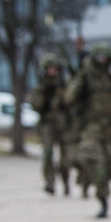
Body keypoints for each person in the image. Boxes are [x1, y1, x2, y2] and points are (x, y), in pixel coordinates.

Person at [65, 43, 111, 219]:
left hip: (110, 130)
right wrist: (80, 77)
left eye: (106, 58)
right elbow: (69, 98)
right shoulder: (85, 77)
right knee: (95, 164)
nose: (103, 61)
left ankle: (93, 182)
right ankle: (102, 198)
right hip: (91, 129)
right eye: (100, 58)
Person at [28, 54, 72, 196]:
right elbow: (35, 105)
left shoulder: (64, 85)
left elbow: (70, 101)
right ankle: (50, 181)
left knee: (65, 157)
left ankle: (66, 180)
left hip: (63, 124)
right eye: (49, 68)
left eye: (54, 68)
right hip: (47, 124)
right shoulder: (41, 87)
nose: (52, 71)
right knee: (47, 153)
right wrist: (44, 96)